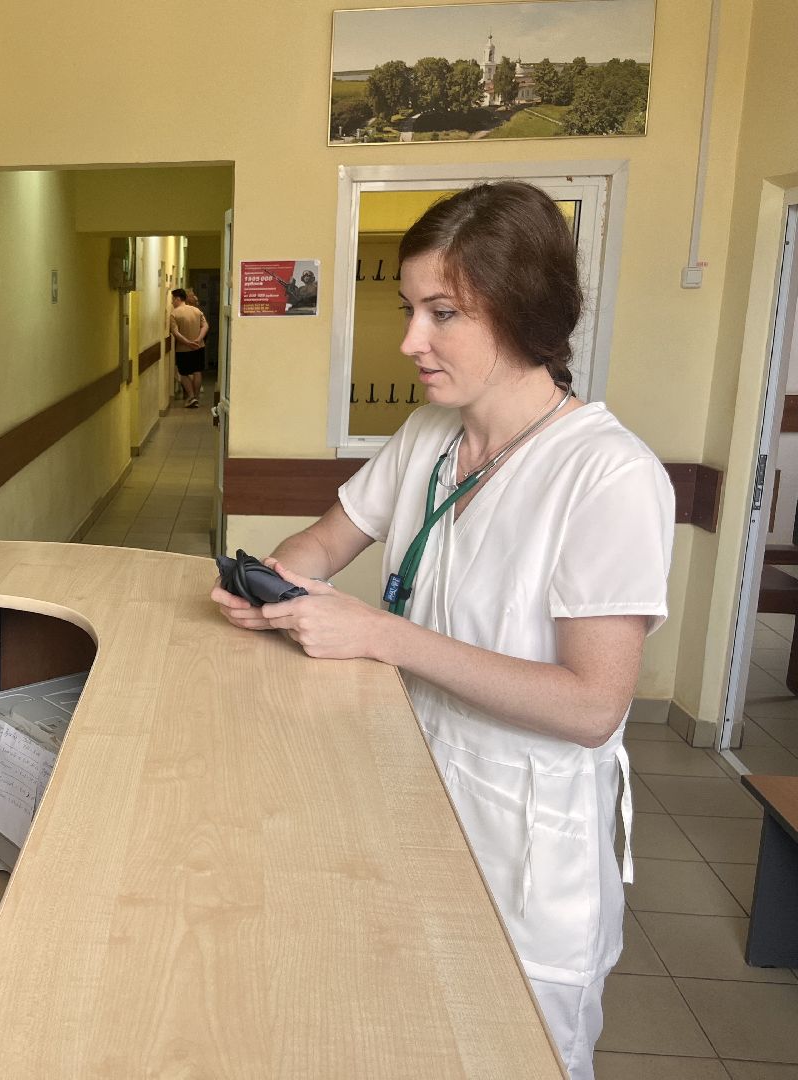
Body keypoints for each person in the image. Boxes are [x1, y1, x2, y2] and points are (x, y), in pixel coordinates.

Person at [210, 181, 673, 1080]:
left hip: (526, 856)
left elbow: (593, 707)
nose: (409, 341)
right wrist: (276, 586)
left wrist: (379, 635)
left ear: (525, 311)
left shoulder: (608, 477)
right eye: (409, 309)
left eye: (442, 313)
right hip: (408, 805)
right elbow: (325, 541)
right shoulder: (430, 436)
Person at [168, 288, 208, 408]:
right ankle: (196, 398)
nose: (172, 302)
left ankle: (191, 396)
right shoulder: (196, 311)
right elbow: (205, 326)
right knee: (197, 371)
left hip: (183, 349)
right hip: (199, 347)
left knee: (183, 373)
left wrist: (188, 343)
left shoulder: (174, 314)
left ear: (178, 299)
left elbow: (175, 332)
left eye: (172, 299)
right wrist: (198, 339)